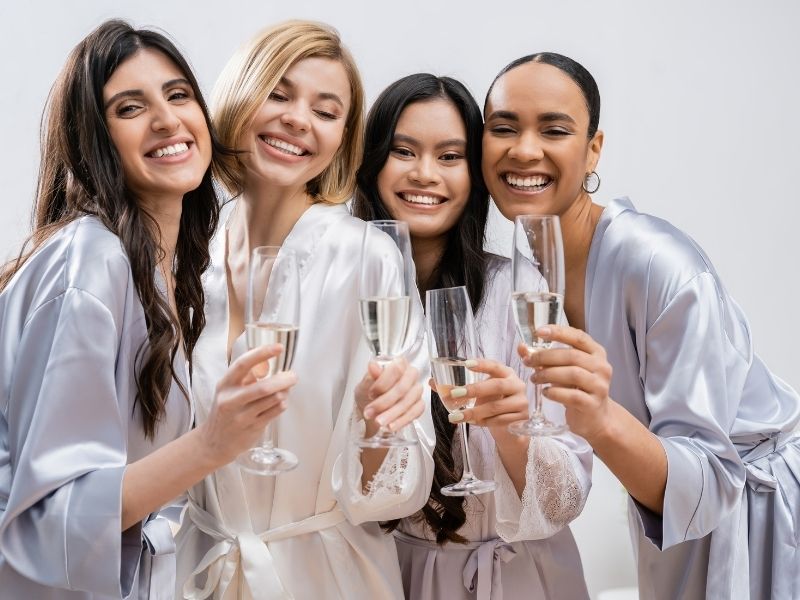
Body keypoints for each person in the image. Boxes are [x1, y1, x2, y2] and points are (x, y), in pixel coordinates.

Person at [482, 51, 800, 599]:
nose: (524, 150)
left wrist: (599, 418)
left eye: (554, 129)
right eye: (503, 128)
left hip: (758, 510)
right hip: (673, 513)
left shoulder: (657, 262)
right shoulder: (528, 271)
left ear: (593, 149)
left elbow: (710, 476)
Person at [0, 20, 297, 599]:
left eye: (178, 94)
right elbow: (51, 521)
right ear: (95, 140)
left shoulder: (166, 271)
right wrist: (212, 443)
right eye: (130, 108)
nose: (167, 120)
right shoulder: (87, 260)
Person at [175, 21, 435, 599]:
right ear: (241, 94)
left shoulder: (366, 256)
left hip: (331, 579)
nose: (298, 119)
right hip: (203, 571)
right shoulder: (190, 250)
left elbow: (399, 491)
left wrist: (377, 421)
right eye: (280, 93)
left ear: (342, 139)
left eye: (326, 110)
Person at [352, 73, 592, 599]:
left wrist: (509, 427)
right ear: (371, 165)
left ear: (474, 174)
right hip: (392, 577)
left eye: (450, 156)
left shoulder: (519, 288)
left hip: (523, 578)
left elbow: (564, 502)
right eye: (403, 150)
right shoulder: (345, 297)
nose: (424, 174)